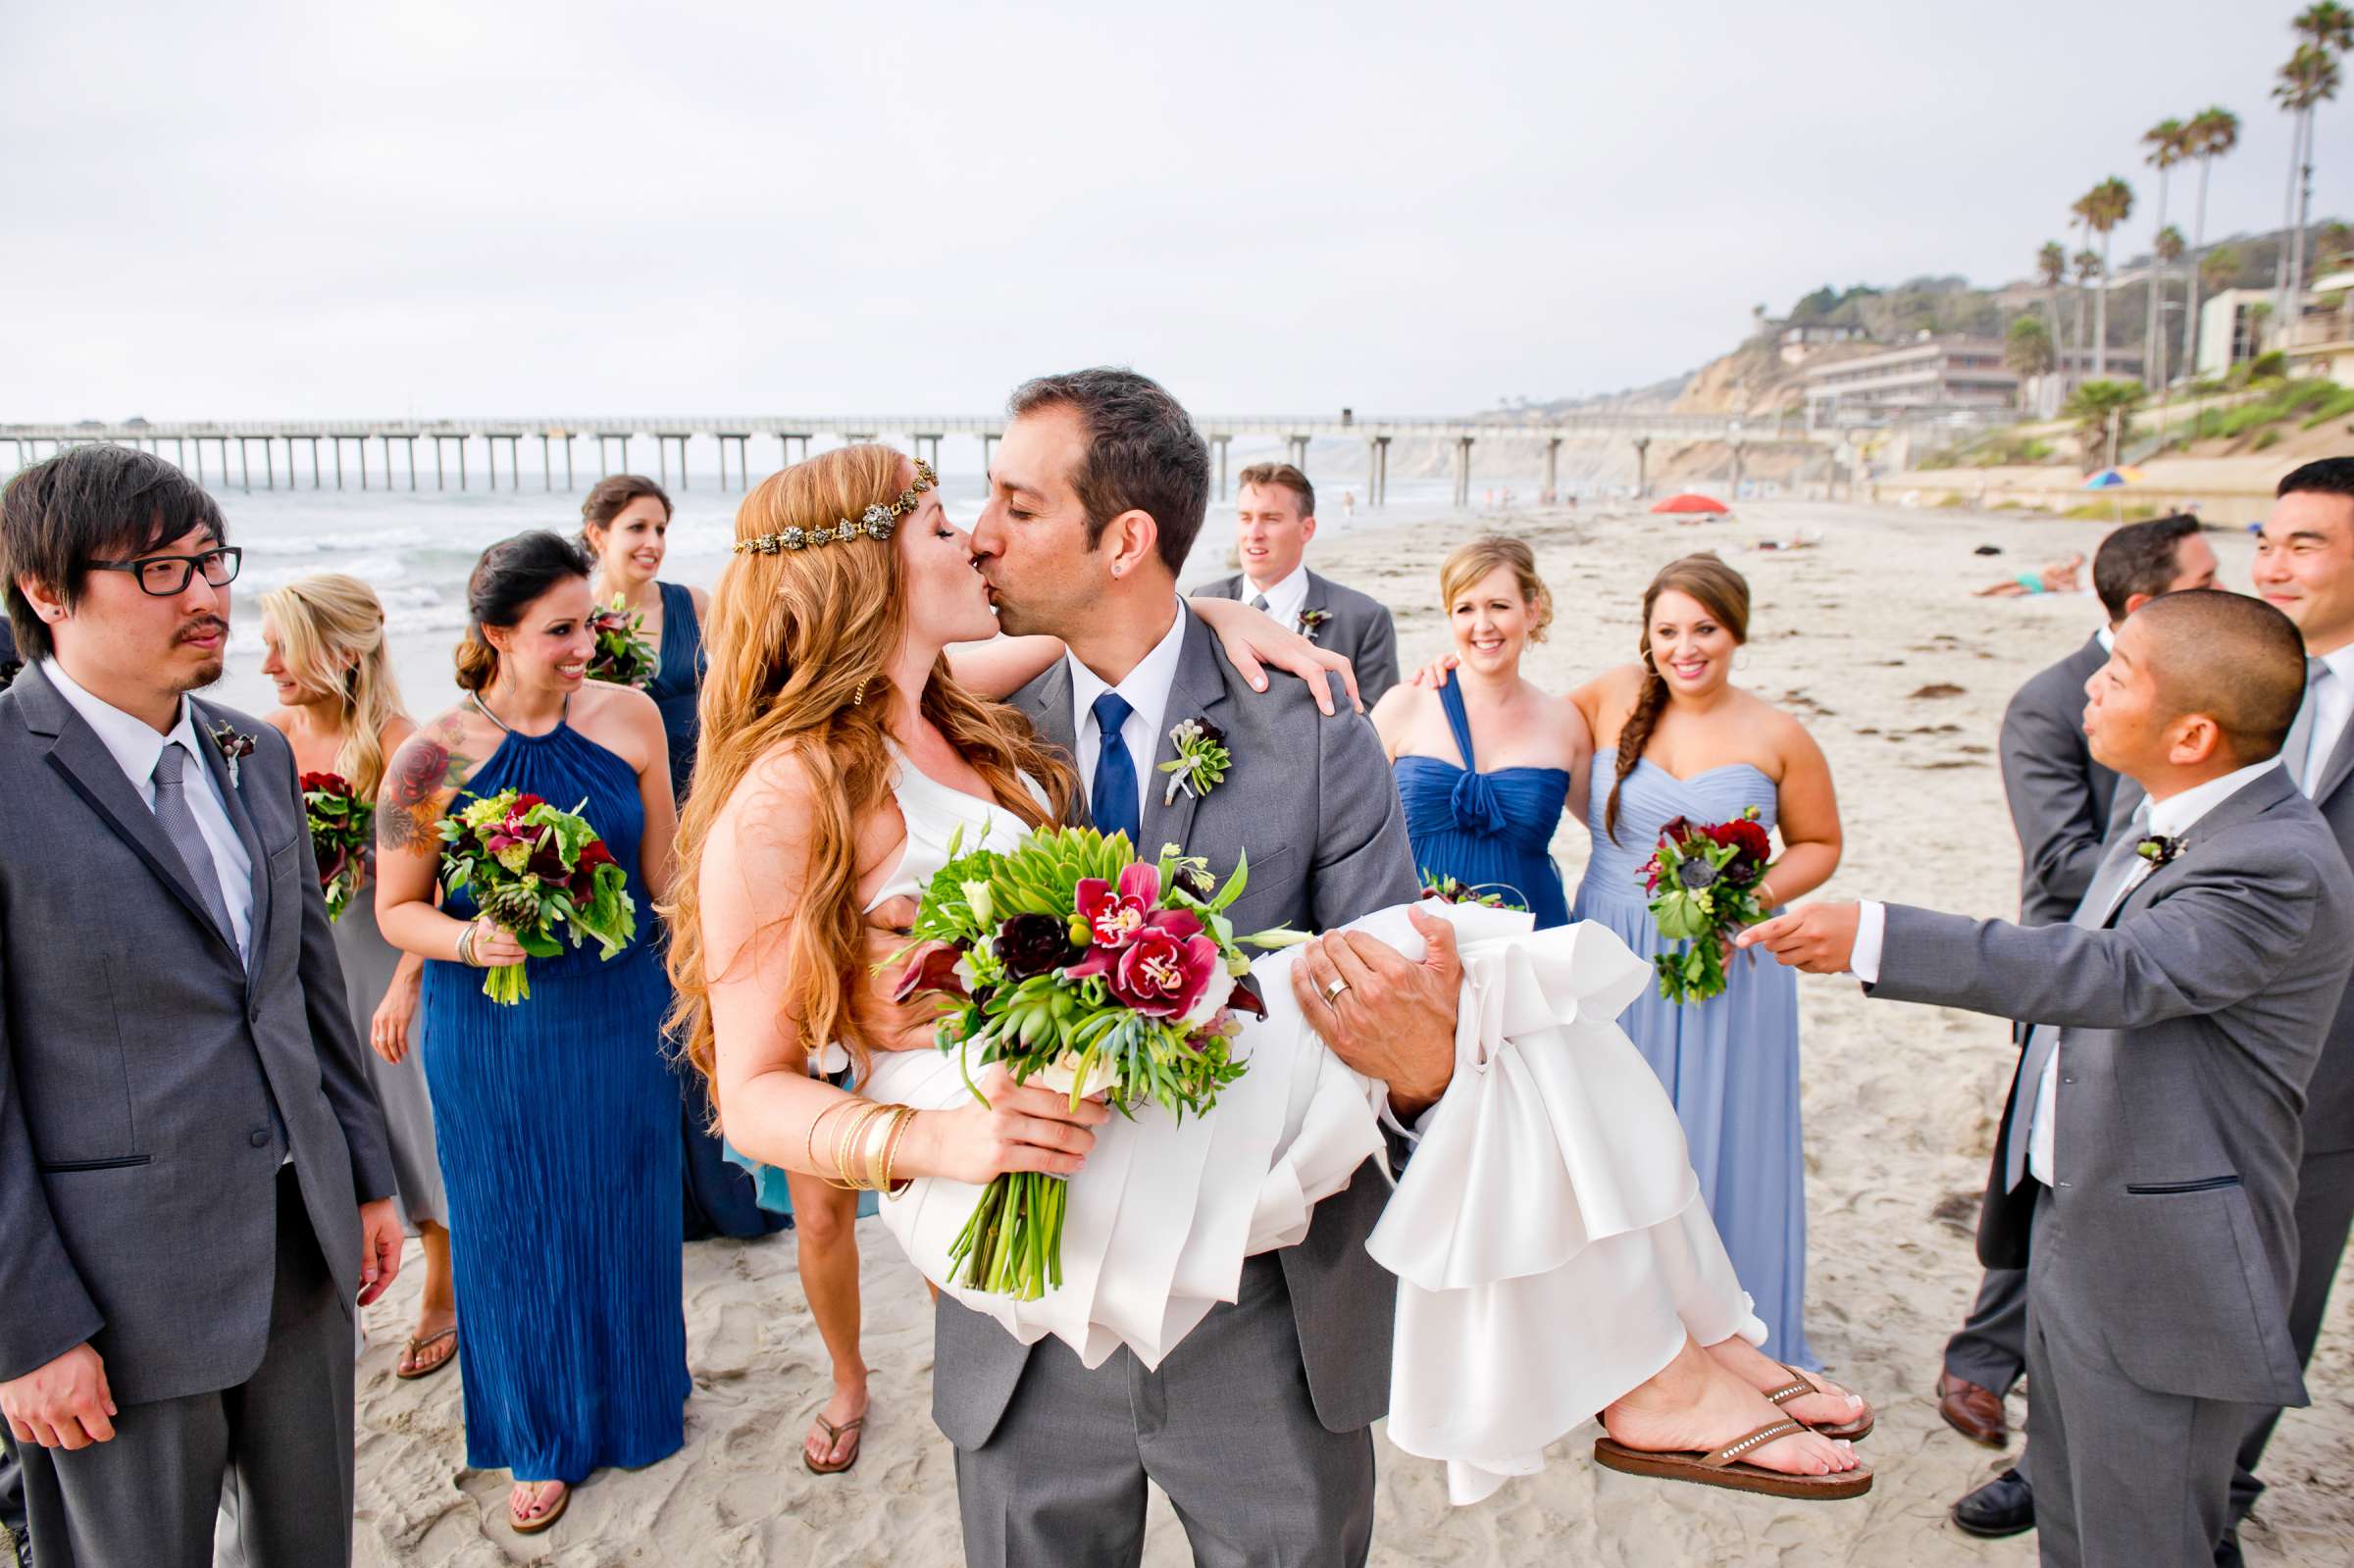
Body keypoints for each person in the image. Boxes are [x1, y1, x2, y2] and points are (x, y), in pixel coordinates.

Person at [945, 370, 1863, 1565]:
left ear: (1125, 540)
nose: (979, 534)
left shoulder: (1316, 727)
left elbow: (1391, 1010)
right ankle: (1660, 1355)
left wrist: (1425, 1065)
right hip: (1026, 1330)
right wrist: (1222, 607)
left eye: (1018, 507)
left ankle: (1659, 1349)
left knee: (1488, 992)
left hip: (1261, 1319)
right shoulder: (961, 734)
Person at [1744, 588, 2354, 1568]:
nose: (2092, 690)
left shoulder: (2272, 860)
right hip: (2085, 1225)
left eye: (2117, 675)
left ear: (2194, 732)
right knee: (2074, 1513)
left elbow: (2119, 971)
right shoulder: (2172, 812)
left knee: (2145, 1536)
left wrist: (1881, 937)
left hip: (2166, 1267)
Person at [0, 445, 400, 1566]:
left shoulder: (253, 751)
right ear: (44, 591)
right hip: (111, 1291)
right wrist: (25, 1329)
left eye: (210, 563)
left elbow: (303, 989)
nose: (209, 597)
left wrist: (368, 1178)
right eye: (161, 572)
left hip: (299, 1248)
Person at [374, 531, 684, 1537]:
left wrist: (703, 984)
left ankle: (639, 1402)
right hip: (494, 1031)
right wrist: (471, 937)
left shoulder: (633, 718)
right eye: (560, 629)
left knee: (626, 1204)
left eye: (590, 619)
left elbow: (666, 883)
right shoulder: (429, 754)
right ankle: (538, 1438)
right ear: (496, 635)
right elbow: (395, 912)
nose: (586, 641)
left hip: (619, 1013)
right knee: (513, 1226)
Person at [1939, 514, 2218, 1459]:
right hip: (2071, 975)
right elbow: (2061, 863)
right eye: (2207, 578)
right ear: (2145, 605)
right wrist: (2171, 851)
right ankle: (1985, 1359)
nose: (2236, 591)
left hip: (2178, 979)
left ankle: (2005, 1370)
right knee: (2043, 1169)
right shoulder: (2052, 702)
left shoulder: (2229, 683)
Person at [1566, 552, 1844, 1368]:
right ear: (1647, 636)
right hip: (1615, 944)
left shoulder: (1778, 733)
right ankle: (1619, 1327)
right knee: (1614, 1132)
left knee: (1722, 1130)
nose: (1687, 648)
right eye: (1668, 630)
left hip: (1729, 959)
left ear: (1736, 632)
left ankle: (1733, 1322)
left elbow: (1822, 844)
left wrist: (1746, 901)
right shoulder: (1608, 698)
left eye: (1706, 629)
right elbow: (1512, 720)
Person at [577, 474, 788, 1247]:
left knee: (702, 977)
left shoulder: (691, 606)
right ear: (595, 533)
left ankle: (725, 1191)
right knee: (634, 987)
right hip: (614, 818)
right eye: (635, 527)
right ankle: (656, 1188)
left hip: (696, 808)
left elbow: (732, 697)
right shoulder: (578, 621)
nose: (651, 542)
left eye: (660, 527)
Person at [259, 574, 458, 1384]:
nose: (266, 660)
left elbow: (437, 880)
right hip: (303, 971)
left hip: (383, 964)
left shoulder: (404, 749)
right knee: (322, 1135)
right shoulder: (257, 741)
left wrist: (408, 980)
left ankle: (441, 1292)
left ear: (341, 651)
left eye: (284, 645)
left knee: (414, 1125)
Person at [1373, 536, 1589, 925]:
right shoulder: (1404, 705)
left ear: (1532, 611)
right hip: (1413, 939)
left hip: (1533, 935)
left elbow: (1612, 838)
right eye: (1465, 609)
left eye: (1499, 606)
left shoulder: (1566, 722)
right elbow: (1342, 830)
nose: (1482, 625)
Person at [1193, 460, 1401, 704]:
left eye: (1270, 519)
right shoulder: (1201, 603)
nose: (1254, 533)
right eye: (1246, 518)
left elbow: (1379, 726)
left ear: (1307, 529)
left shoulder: (1364, 619)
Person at [1973, 552, 2086, 598]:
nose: (2075, 564)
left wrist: (2062, 586)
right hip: (2034, 579)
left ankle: (1992, 595)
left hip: (2040, 587)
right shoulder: (2057, 568)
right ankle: (1984, 592)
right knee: (2007, 584)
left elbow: (2073, 589)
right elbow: (2044, 574)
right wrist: (2058, 583)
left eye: (2078, 562)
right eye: (2075, 560)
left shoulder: (2073, 577)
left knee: (2018, 590)